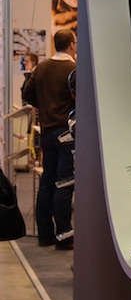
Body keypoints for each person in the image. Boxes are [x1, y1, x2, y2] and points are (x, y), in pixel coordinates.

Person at [23, 29, 76, 250]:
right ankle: (63, 237)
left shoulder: (42, 67)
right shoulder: (73, 69)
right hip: (66, 133)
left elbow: (27, 95)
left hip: (46, 132)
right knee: (64, 183)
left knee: (47, 182)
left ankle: (44, 234)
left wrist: (45, 107)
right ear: (71, 44)